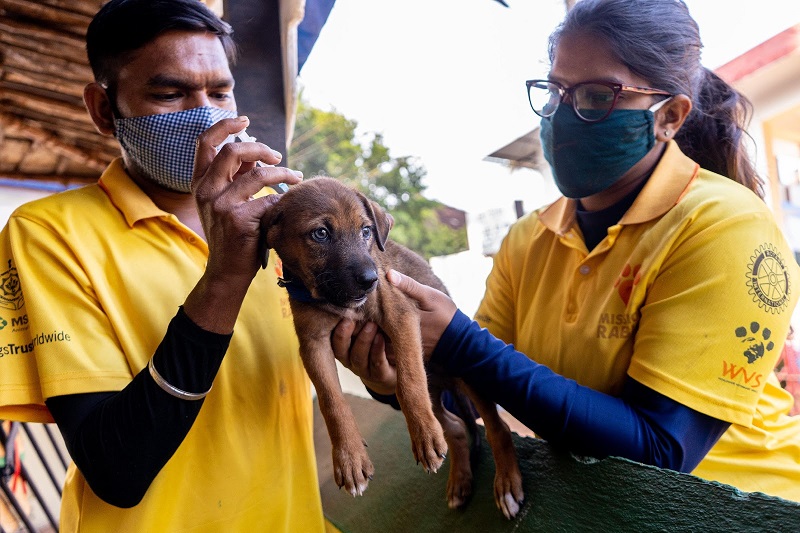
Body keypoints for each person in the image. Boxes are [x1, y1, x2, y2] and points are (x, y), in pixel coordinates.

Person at [336, 0, 800, 503]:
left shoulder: (724, 227)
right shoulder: (527, 240)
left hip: (740, 506)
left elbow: (663, 449)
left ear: (668, 116)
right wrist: (396, 380)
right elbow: (481, 391)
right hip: (597, 506)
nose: (564, 115)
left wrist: (461, 342)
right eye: (555, 91)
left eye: (598, 96)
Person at [0, 0, 325, 530]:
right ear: (104, 110)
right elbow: (117, 471)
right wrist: (224, 275)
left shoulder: (279, 224)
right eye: (170, 94)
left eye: (220, 92)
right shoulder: (49, 233)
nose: (206, 116)